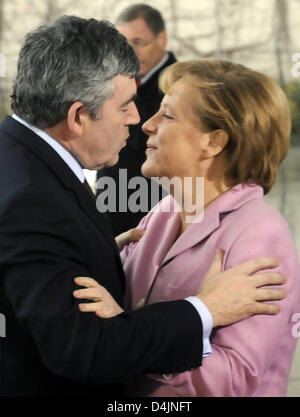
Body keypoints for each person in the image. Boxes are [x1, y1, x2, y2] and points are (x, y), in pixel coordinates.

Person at [74, 59, 300, 397]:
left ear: (214, 141)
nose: (147, 125)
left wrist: (126, 331)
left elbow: (233, 382)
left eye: (166, 115)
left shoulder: (260, 235)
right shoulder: (163, 213)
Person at [96, 4, 176, 235]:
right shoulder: (114, 80)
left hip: (156, 208)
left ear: (161, 39)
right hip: (111, 203)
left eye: (138, 43)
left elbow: (142, 136)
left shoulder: (182, 84)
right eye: (124, 44)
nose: (129, 53)